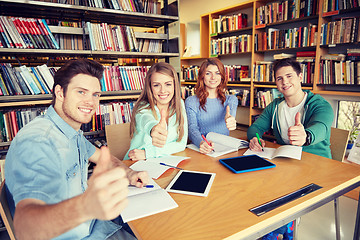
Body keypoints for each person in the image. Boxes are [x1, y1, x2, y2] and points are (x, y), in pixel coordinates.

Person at [5, 59, 149, 240]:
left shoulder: (71, 132)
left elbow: (102, 157)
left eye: (95, 94)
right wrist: (85, 207)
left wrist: (128, 173)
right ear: (60, 93)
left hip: (97, 225)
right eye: (81, 92)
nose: (90, 101)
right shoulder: (38, 142)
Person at [247, 58, 334, 240]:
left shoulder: (319, 104)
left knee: (276, 191)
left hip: (316, 167)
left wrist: (306, 136)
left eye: (289, 76)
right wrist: (255, 139)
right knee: (252, 182)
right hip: (286, 165)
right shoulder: (275, 106)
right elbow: (255, 127)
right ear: (276, 83)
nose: (285, 82)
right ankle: (265, 229)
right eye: (279, 78)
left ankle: (279, 233)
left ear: (300, 76)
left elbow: (322, 127)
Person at [125, 62, 188, 161]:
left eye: (168, 84)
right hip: (135, 162)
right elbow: (147, 120)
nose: (163, 90)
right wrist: (153, 129)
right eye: (156, 85)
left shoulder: (179, 104)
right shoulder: (142, 108)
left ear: (175, 85)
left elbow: (181, 144)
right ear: (150, 87)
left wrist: (148, 153)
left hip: (163, 161)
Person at [185, 58, 238, 154]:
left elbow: (230, 114)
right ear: (202, 76)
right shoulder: (191, 101)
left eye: (217, 73)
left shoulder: (231, 99)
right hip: (200, 148)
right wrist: (201, 143)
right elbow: (192, 128)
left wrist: (230, 119)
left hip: (223, 149)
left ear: (222, 76)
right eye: (208, 73)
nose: (213, 77)